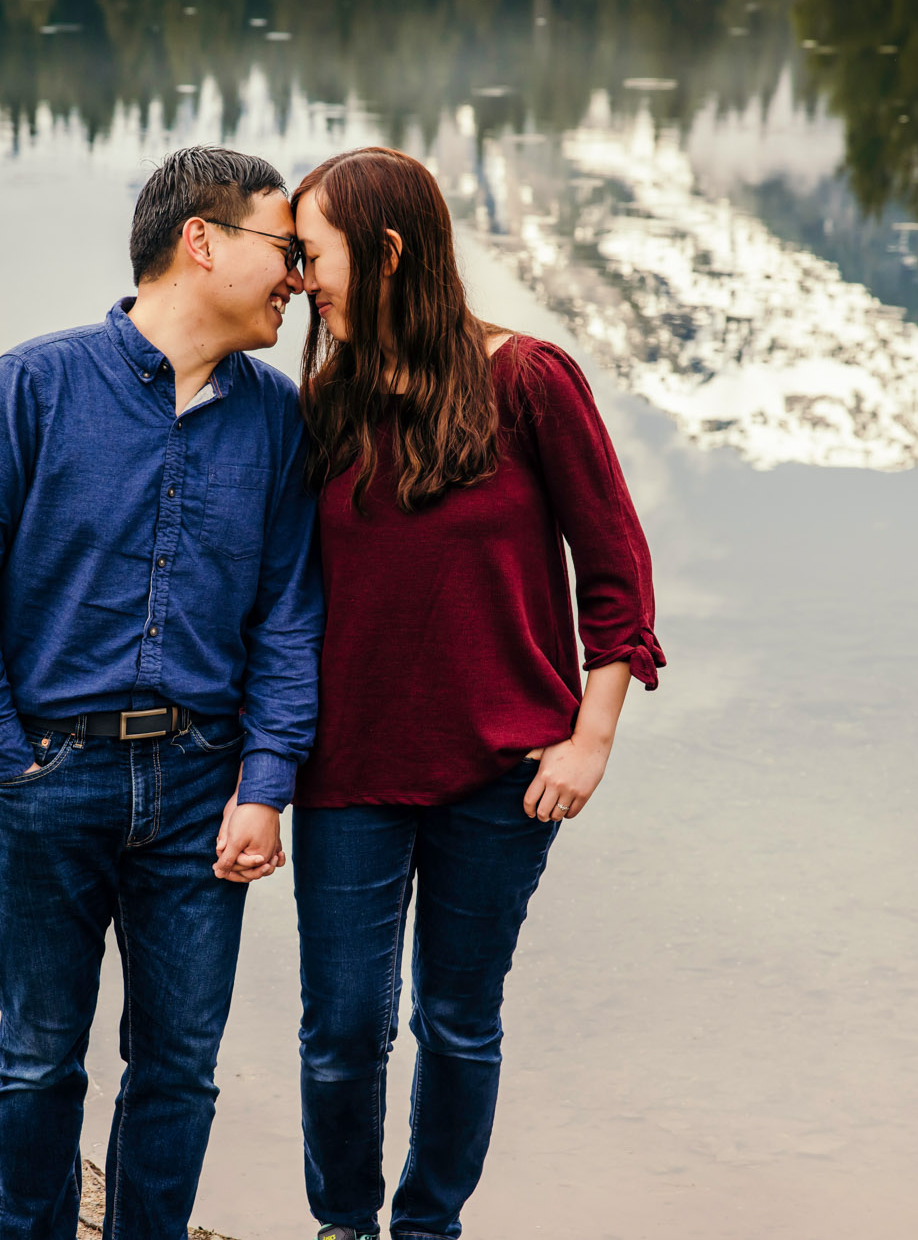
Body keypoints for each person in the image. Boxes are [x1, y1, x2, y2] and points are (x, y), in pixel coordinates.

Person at [0, 145, 322, 1240]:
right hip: (49, 775)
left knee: (179, 1066)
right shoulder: (32, 386)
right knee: (38, 1058)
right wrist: (10, 761)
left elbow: (287, 619)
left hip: (200, 788)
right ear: (201, 240)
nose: (297, 277)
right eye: (282, 248)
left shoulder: (276, 419)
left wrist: (264, 783)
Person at [284, 146, 662, 1240]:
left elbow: (615, 572)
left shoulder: (528, 380)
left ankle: (428, 1225)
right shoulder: (320, 404)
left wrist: (589, 738)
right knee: (342, 1028)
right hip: (348, 772)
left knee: (455, 1019)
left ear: (388, 250)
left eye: (315, 255)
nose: (302, 279)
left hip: (502, 777)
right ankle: (342, 1224)